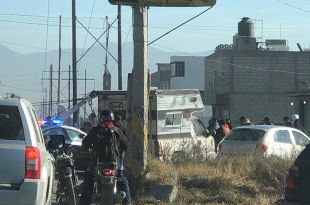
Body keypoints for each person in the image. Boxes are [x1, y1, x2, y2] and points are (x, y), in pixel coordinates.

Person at [80, 110, 131, 205]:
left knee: (87, 185)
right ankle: (127, 203)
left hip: (97, 164)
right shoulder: (116, 130)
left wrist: (85, 148)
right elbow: (126, 146)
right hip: (114, 164)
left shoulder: (95, 130)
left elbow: (84, 145)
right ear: (112, 119)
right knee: (124, 182)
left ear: (101, 119)